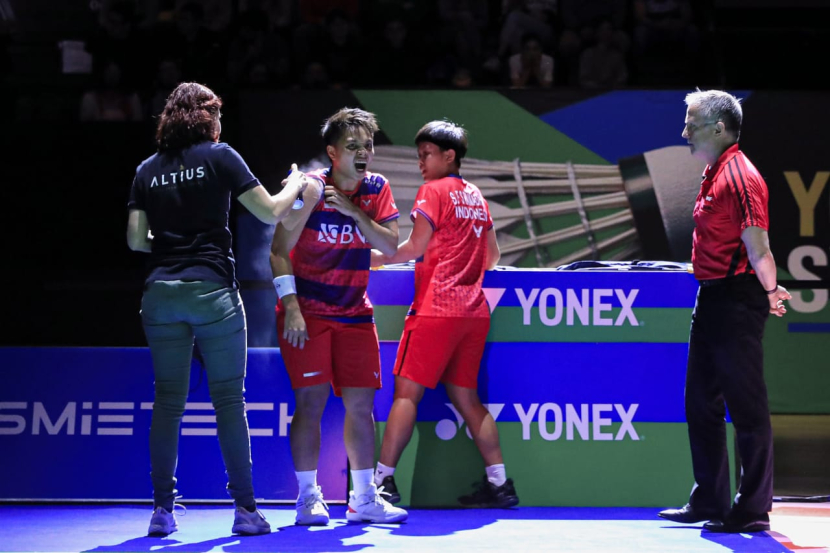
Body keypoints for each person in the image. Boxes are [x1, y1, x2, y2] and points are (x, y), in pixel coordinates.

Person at [127, 82, 308, 536]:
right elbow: (268, 213)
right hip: (213, 293)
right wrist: (296, 186)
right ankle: (246, 511)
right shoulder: (220, 154)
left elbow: (134, 240)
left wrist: (170, 243)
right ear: (207, 117)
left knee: (168, 402)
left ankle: (162, 512)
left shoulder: (147, 170)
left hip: (160, 294)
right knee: (228, 400)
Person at [658, 89, 791, 533]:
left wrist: (771, 291)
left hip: (738, 299)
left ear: (718, 128)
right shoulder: (714, 171)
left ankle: (752, 509)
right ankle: (710, 500)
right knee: (700, 403)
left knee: (747, 409)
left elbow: (759, 246)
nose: (684, 132)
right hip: (711, 297)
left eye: (691, 124)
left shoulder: (742, 177)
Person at [370, 120, 519, 509]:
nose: (420, 162)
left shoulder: (432, 191)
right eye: (419, 155)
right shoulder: (476, 195)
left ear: (448, 156)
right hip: (474, 313)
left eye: (426, 154)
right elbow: (493, 258)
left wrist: (371, 258)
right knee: (467, 398)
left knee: (406, 395)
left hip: (436, 309)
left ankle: (382, 483)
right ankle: (501, 485)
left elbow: (412, 247)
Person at [269, 107, 408, 525]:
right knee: (310, 404)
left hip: (354, 313)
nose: (363, 152)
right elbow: (277, 250)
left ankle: (362, 498)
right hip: (307, 313)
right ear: (333, 152)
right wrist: (291, 307)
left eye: (368, 145)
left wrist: (354, 213)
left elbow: (389, 245)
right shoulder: (311, 190)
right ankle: (308, 498)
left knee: (362, 407)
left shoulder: (377, 189)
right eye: (353, 146)